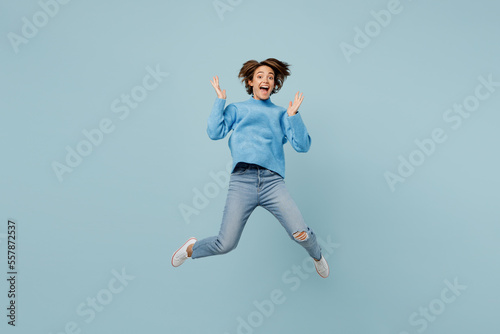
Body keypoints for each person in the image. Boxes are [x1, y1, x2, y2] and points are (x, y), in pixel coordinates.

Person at [171, 58, 329, 278]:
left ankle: (318, 256)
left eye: (271, 77)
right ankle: (191, 249)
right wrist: (220, 101)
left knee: (300, 233)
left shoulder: (282, 114)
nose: (266, 80)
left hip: (272, 183)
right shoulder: (238, 108)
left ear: (275, 85)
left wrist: (294, 117)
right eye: (261, 76)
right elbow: (214, 132)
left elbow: (302, 146)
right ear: (251, 81)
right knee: (225, 244)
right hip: (242, 182)